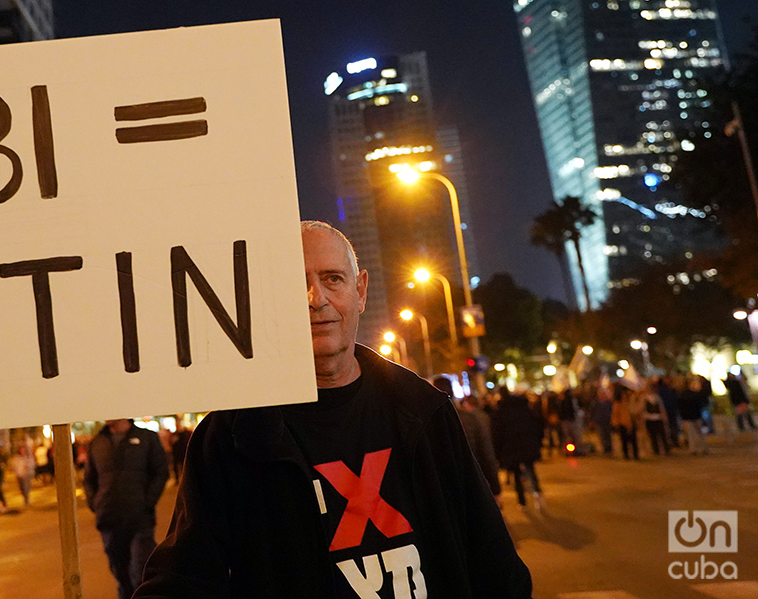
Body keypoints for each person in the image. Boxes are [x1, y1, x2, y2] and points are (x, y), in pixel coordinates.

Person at [136, 221, 531, 598]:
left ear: (360, 291)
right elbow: (183, 579)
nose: (316, 298)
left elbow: (492, 562)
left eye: (332, 279)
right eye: (295, 283)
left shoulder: (423, 411)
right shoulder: (230, 436)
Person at [85, 419, 169, 599]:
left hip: (140, 518)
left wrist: (147, 501)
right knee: (120, 573)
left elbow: (160, 471)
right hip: (109, 518)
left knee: (142, 569)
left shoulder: (146, 438)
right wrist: (96, 503)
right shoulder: (98, 442)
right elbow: (89, 479)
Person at [433, 377, 501, 501]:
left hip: (440, 492)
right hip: (470, 483)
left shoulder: (421, 425)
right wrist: (494, 487)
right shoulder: (469, 419)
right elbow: (486, 454)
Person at [491, 388, 545, 510]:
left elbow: (497, 434)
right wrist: (538, 442)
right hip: (527, 445)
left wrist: (498, 452)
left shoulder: (501, 412)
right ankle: (537, 493)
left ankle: (522, 501)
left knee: (516, 474)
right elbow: (537, 425)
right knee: (530, 469)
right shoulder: (526, 409)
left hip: (511, 447)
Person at [641, 380, 671, 456]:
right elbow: (642, 409)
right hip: (649, 418)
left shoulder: (657, 397)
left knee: (662, 434)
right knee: (653, 435)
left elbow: (661, 407)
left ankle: (666, 448)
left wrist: (663, 415)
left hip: (658, 418)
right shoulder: (644, 398)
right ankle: (656, 450)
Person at [611, 385, 640, 460]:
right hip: (622, 424)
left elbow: (635, 411)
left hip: (631, 423)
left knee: (633, 440)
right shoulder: (618, 404)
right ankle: (626, 454)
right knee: (624, 440)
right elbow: (615, 415)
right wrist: (615, 423)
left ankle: (635, 455)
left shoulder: (630, 403)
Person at [723, 367, 755, 431]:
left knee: (743, 414)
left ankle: (743, 426)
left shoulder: (733, 383)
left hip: (738, 401)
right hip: (739, 401)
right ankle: (746, 426)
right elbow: (740, 392)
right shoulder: (734, 383)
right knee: (744, 413)